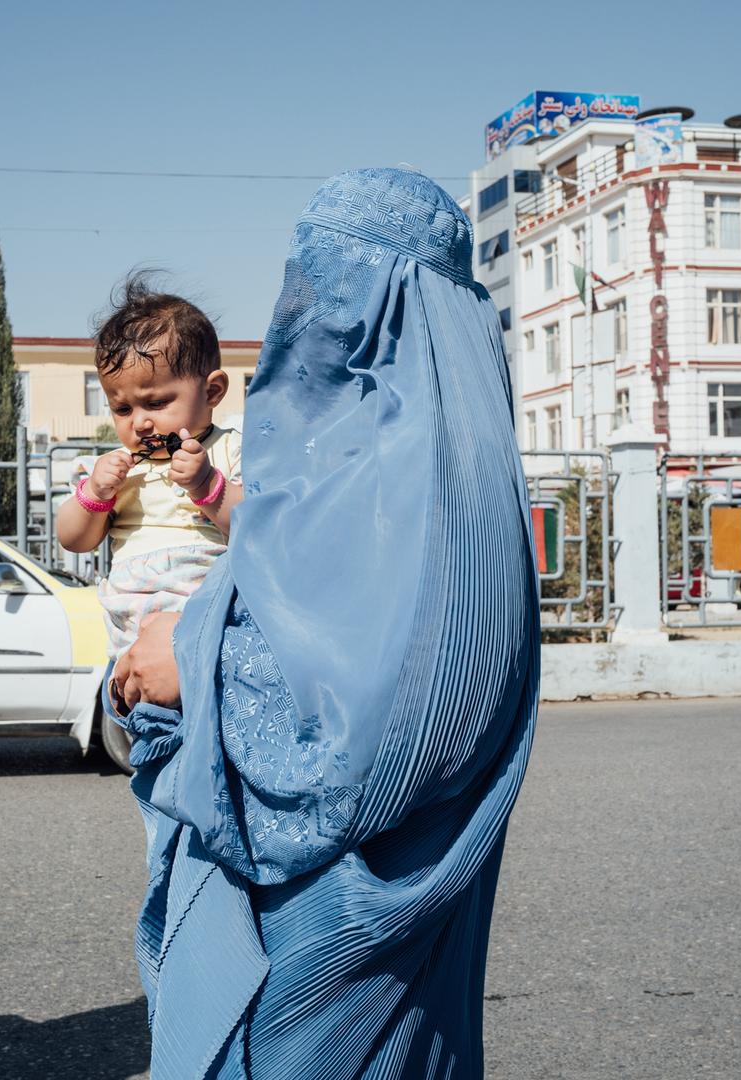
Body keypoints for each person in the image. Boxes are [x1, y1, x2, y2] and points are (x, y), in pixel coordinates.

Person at [107, 168, 540, 1078]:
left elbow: (391, 722)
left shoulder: (427, 488)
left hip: (331, 945)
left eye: (337, 293)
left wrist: (193, 663)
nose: (310, 317)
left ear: (394, 310)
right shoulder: (377, 464)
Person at [55, 274, 243, 660]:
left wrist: (207, 484)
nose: (139, 423)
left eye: (156, 403)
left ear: (212, 392)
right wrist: (94, 494)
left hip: (204, 615)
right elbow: (74, 539)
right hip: (130, 629)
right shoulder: (116, 470)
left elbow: (256, 526)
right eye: (122, 408)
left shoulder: (230, 449)